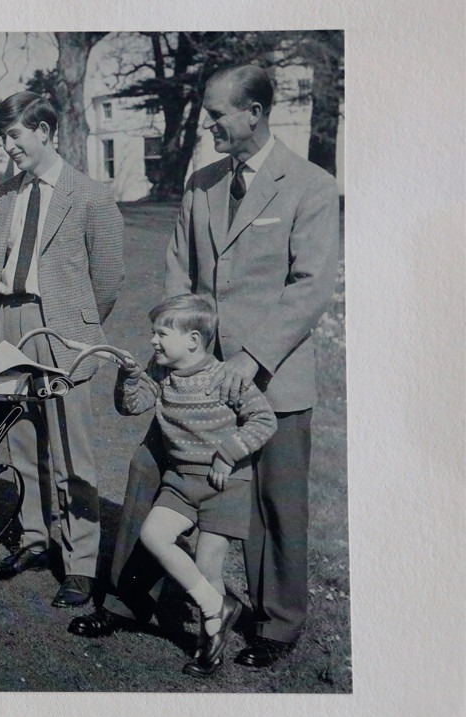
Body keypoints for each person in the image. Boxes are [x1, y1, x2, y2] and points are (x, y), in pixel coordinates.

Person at [69, 64, 340, 670]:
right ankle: (133, 595)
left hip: (273, 380)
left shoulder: (311, 186)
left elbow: (310, 285)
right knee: (150, 471)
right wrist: (174, 348)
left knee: (273, 503)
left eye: (218, 115)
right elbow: (178, 272)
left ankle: (276, 624)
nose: (210, 126)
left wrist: (249, 359)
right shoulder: (201, 184)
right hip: (193, 377)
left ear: (255, 113)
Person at [0, 91, 125, 608]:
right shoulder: (2, 196)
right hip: (9, 320)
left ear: (44, 131)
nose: (7, 145)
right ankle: (35, 540)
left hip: (61, 327)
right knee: (22, 442)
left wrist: (78, 327)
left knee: (71, 450)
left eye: (14, 134)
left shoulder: (89, 195)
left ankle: (81, 562)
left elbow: (107, 278)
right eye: (2, 136)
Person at [116, 294, 277, 676]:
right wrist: (128, 376)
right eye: (153, 333)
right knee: (154, 535)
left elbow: (264, 420)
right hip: (180, 482)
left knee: (209, 563)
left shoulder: (226, 377)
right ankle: (214, 605)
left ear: (192, 340)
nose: (153, 341)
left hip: (225, 484)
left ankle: (209, 648)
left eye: (160, 334)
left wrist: (228, 452)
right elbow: (132, 406)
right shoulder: (160, 375)